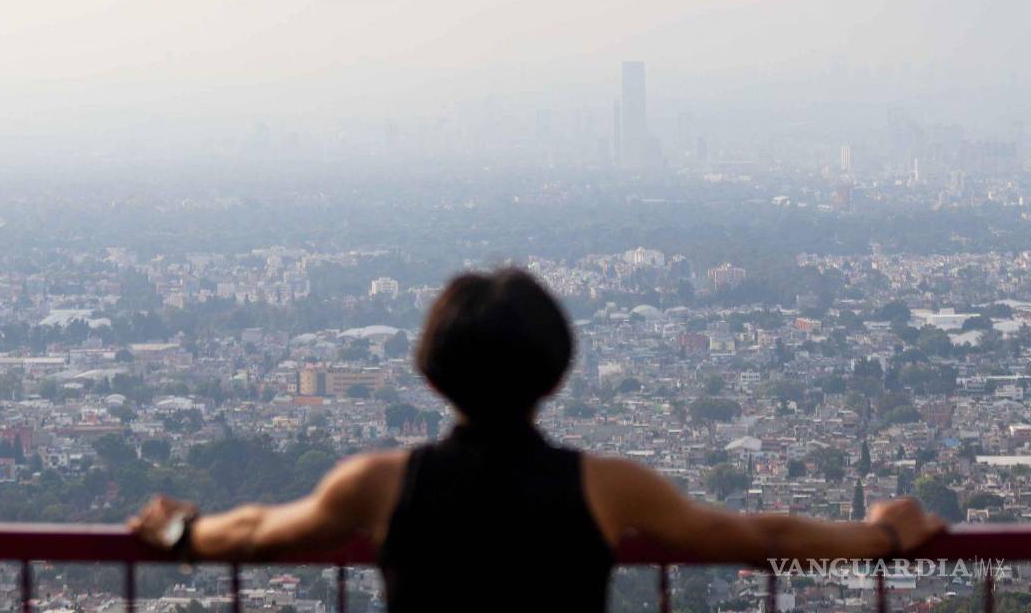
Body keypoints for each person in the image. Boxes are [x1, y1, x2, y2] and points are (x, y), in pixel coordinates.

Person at [131, 268, 944, 612]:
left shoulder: (379, 484)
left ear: (431, 375)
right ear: (555, 375)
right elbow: (759, 539)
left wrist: (175, 531)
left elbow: (258, 534)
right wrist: (883, 535)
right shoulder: (607, 486)